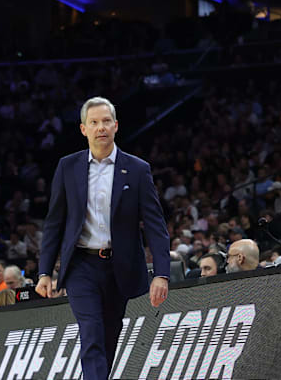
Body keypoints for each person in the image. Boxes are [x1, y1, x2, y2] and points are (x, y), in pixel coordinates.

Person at [35, 96, 170, 380]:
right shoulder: (67, 167)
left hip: (119, 265)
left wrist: (162, 274)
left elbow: (156, 225)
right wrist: (45, 271)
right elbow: (54, 222)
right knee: (91, 330)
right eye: (94, 122)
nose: (101, 128)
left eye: (106, 121)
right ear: (83, 129)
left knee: (109, 336)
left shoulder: (137, 169)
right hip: (81, 266)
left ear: (116, 126)